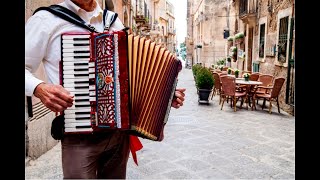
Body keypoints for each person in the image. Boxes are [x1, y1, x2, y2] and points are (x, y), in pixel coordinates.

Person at [25, 0, 186, 179]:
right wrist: (39, 88)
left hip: (119, 136)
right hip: (79, 135)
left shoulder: (113, 21)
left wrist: (164, 95)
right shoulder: (45, 20)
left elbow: (131, 73)